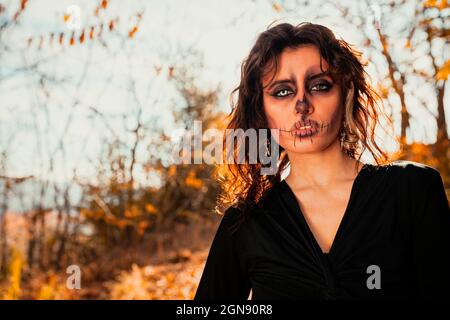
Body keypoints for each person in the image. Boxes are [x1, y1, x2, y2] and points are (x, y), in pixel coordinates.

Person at [194, 22, 450, 300]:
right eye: (282, 91)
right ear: (260, 109)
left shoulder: (412, 190)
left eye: (319, 85)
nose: (302, 105)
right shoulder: (246, 222)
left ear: (346, 93)